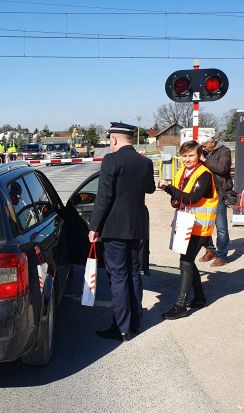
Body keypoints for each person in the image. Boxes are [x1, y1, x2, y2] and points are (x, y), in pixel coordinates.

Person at [89, 122, 156, 341]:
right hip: (136, 227)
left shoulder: (111, 160)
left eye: (110, 140)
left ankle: (121, 328)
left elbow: (104, 197)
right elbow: (150, 189)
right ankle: (135, 323)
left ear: (115, 139)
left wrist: (94, 226)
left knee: (118, 277)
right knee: (134, 274)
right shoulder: (145, 162)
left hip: (114, 229)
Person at [158, 140, 218, 320]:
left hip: (200, 226)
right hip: (186, 223)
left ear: (199, 155)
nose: (187, 159)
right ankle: (199, 298)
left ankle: (180, 306)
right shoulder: (181, 172)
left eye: (191, 155)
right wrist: (174, 198)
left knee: (185, 262)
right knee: (187, 261)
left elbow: (192, 198)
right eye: (184, 156)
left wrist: (168, 188)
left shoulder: (204, 174)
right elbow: (179, 197)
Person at [197, 136, 232, 267]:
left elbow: (222, 169)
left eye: (205, 146)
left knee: (221, 227)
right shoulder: (202, 152)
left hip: (218, 193)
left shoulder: (225, 151)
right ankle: (210, 250)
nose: (204, 148)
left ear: (213, 142)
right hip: (204, 192)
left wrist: (204, 160)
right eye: (202, 147)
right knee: (204, 224)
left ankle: (222, 255)